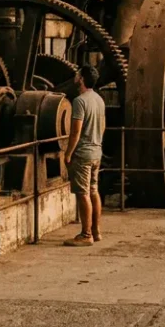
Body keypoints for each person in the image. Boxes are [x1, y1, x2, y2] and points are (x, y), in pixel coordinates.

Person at [63, 65, 105, 247]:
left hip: (83, 154)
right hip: (97, 151)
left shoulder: (80, 101)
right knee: (94, 191)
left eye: (77, 73)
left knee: (83, 194)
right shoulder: (99, 100)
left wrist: (68, 153)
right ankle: (96, 231)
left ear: (81, 79)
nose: (75, 75)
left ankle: (85, 234)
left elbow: (76, 131)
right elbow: (103, 126)